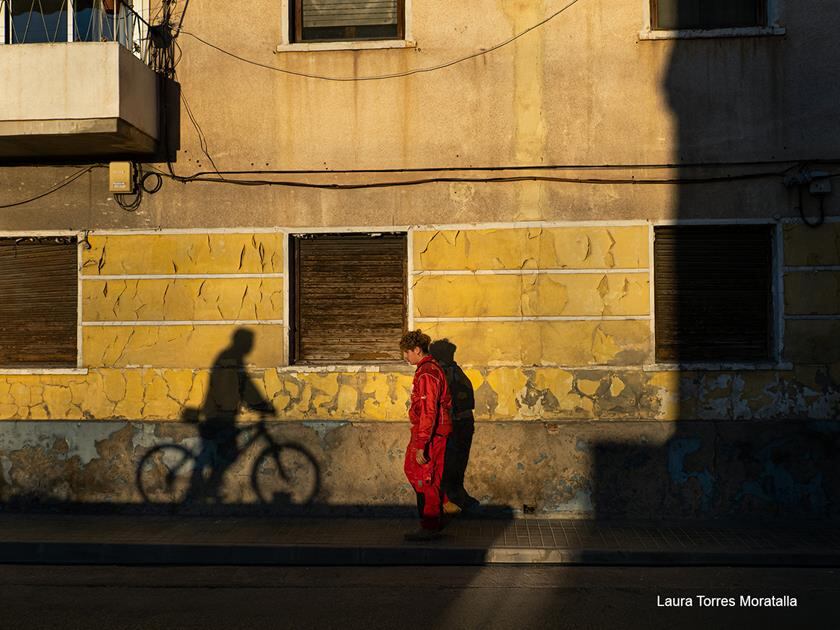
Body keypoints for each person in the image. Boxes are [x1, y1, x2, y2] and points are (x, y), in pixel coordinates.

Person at [400, 330, 453, 541]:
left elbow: (429, 410)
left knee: (424, 477)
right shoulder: (428, 370)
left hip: (431, 433)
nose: (405, 357)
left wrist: (422, 442)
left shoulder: (427, 373)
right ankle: (443, 503)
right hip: (432, 431)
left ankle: (430, 526)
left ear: (416, 350)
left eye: (406, 352)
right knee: (421, 473)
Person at [430, 339, 478, 514]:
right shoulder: (443, 371)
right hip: (455, 425)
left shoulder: (448, 370)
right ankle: (449, 498)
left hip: (458, 425)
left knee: (453, 464)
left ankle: (452, 497)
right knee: (449, 465)